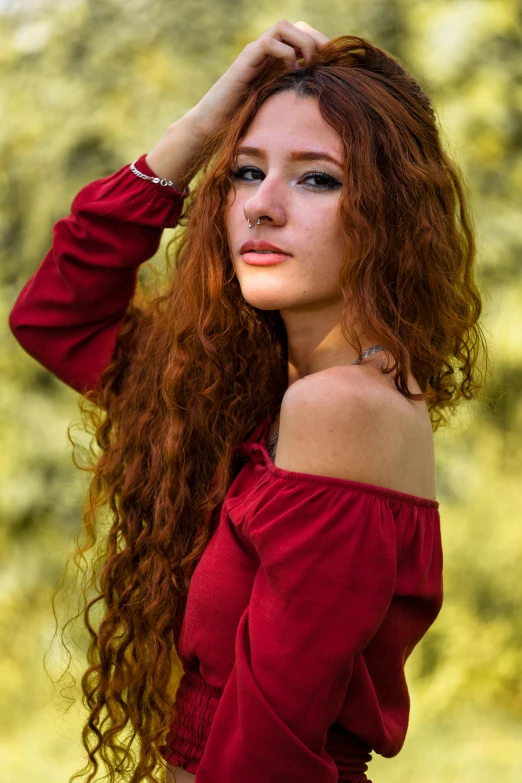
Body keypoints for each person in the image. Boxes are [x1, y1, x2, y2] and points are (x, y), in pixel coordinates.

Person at [9, 19, 488, 783]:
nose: (262, 206)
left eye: (316, 178)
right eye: (244, 172)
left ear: (389, 217)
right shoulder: (245, 391)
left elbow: (270, 742)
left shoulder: (341, 408)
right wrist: (200, 129)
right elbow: (55, 317)